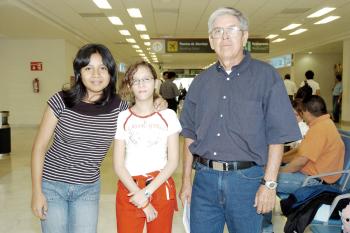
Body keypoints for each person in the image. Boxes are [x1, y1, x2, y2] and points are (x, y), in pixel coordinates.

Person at [179, 7, 301, 233]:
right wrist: (186, 180)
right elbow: (189, 134)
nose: (224, 37)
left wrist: (270, 184)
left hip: (248, 182)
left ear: (244, 36)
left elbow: (277, 136)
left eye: (231, 30)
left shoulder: (267, 77)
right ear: (210, 40)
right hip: (204, 181)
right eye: (217, 31)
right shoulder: (200, 83)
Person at [31, 44, 166, 233]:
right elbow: (39, 148)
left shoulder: (118, 107)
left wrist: (159, 100)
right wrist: (37, 192)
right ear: (79, 72)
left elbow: (143, 108)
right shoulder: (61, 101)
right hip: (53, 185)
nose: (96, 74)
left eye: (102, 68)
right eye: (88, 68)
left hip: (87, 188)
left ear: (110, 73)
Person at [113, 61, 181, 233]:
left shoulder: (168, 115)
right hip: (130, 188)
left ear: (156, 82)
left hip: (159, 186)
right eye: (136, 80)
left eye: (146, 79)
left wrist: (147, 193)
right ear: (129, 85)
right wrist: (140, 197)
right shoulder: (123, 117)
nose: (141, 84)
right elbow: (118, 165)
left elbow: (173, 161)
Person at [279, 95, 345, 194]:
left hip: (314, 182)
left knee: (263, 179)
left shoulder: (319, 129)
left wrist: (278, 170)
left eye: (301, 112)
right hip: (310, 176)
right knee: (263, 174)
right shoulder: (324, 124)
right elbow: (300, 151)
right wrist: (280, 158)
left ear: (307, 112)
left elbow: (300, 162)